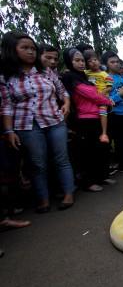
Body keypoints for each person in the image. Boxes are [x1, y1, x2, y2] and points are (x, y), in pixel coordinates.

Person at [0, 31, 75, 212]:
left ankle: (68, 193)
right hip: (26, 125)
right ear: (12, 50)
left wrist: (66, 104)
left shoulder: (45, 72)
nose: (31, 52)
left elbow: (62, 91)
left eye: (33, 48)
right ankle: (43, 199)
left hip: (54, 120)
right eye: (25, 48)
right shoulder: (6, 77)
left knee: (61, 159)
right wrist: (9, 131)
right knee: (37, 163)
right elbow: (6, 106)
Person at [61, 48, 114, 192]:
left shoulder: (84, 76)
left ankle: (101, 177)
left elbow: (97, 92)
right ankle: (88, 182)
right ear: (69, 62)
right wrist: (108, 101)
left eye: (82, 60)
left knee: (100, 149)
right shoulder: (70, 77)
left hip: (96, 116)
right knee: (87, 152)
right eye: (77, 60)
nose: (81, 63)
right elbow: (93, 95)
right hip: (84, 119)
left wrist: (103, 98)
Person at [102, 51, 123, 172]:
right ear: (106, 65)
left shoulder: (122, 77)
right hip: (116, 114)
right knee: (120, 142)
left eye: (117, 61)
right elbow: (105, 100)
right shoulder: (106, 79)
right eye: (112, 62)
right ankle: (122, 165)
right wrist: (118, 95)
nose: (116, 64)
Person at [83, 49, 112, 143]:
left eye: (95, 60)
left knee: (103, 110)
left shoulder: (105, 74)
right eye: (90, 61)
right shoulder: (86, 73)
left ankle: (104, 133)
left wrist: (102, 93)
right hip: (91, 98)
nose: (93, 63)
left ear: (99, 61)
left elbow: (109, 87)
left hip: (102, 97)